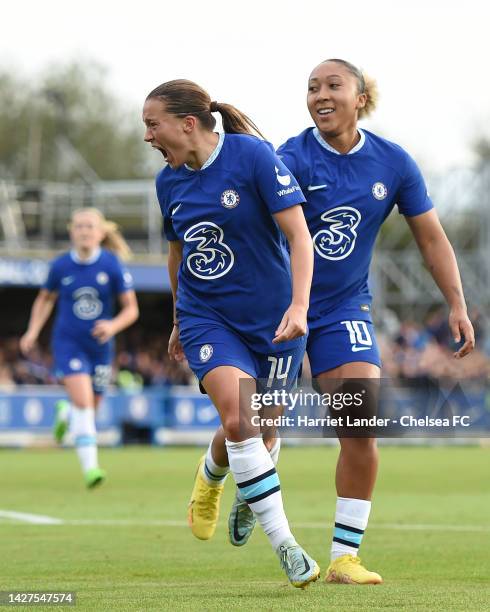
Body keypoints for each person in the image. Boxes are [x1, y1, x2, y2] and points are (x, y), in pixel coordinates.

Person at [143, 79, 319, 588]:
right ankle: (287, 546)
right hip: (207, 317)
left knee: (263, 429)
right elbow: (177, 254)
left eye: (153, 124)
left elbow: (299, 237)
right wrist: (180, 316)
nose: (148, 135)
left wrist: (300, 306)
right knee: (239, 417)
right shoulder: (167, 183)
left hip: (274, 318)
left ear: (187, 124)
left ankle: (213, 475)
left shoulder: (254, 158)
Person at [20, 208, 139, 488]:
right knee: (85, 404)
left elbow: (131, 310)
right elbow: (45, 299)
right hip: (68, 344)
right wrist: (33, 330)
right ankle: (91, 469)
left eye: (90, 227)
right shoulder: (61, 266)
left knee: (91, 407)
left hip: (100, 347)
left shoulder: (111, 265)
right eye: (79, 226)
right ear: (71, 231)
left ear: (100, 233)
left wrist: (112, 326)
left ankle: (65, 413)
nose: (84, 231)